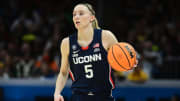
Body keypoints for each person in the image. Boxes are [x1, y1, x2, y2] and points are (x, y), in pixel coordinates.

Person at [54, 3, 137, 101]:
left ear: (91, 18)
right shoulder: (66, 43)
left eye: (81, 13)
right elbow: (63, 73)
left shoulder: (106, 37)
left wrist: (129, 64)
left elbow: (120, 64)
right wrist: (57, 93)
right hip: (78, 97)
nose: (76, 16)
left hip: (103, 96)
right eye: (74, 14)